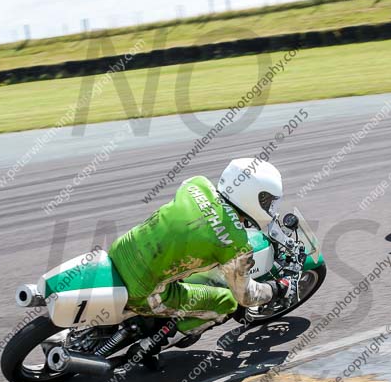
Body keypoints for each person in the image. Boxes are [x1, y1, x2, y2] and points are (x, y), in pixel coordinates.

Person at [108, 158, 292, 368]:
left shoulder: (196, 184)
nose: (270, 207)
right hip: (143, 289)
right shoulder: (235, 244)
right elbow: (247, 297)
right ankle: (153, 343)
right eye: (268, 201)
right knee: (226, 302)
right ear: (254, 197)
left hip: (121, 249)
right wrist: (276, 289)